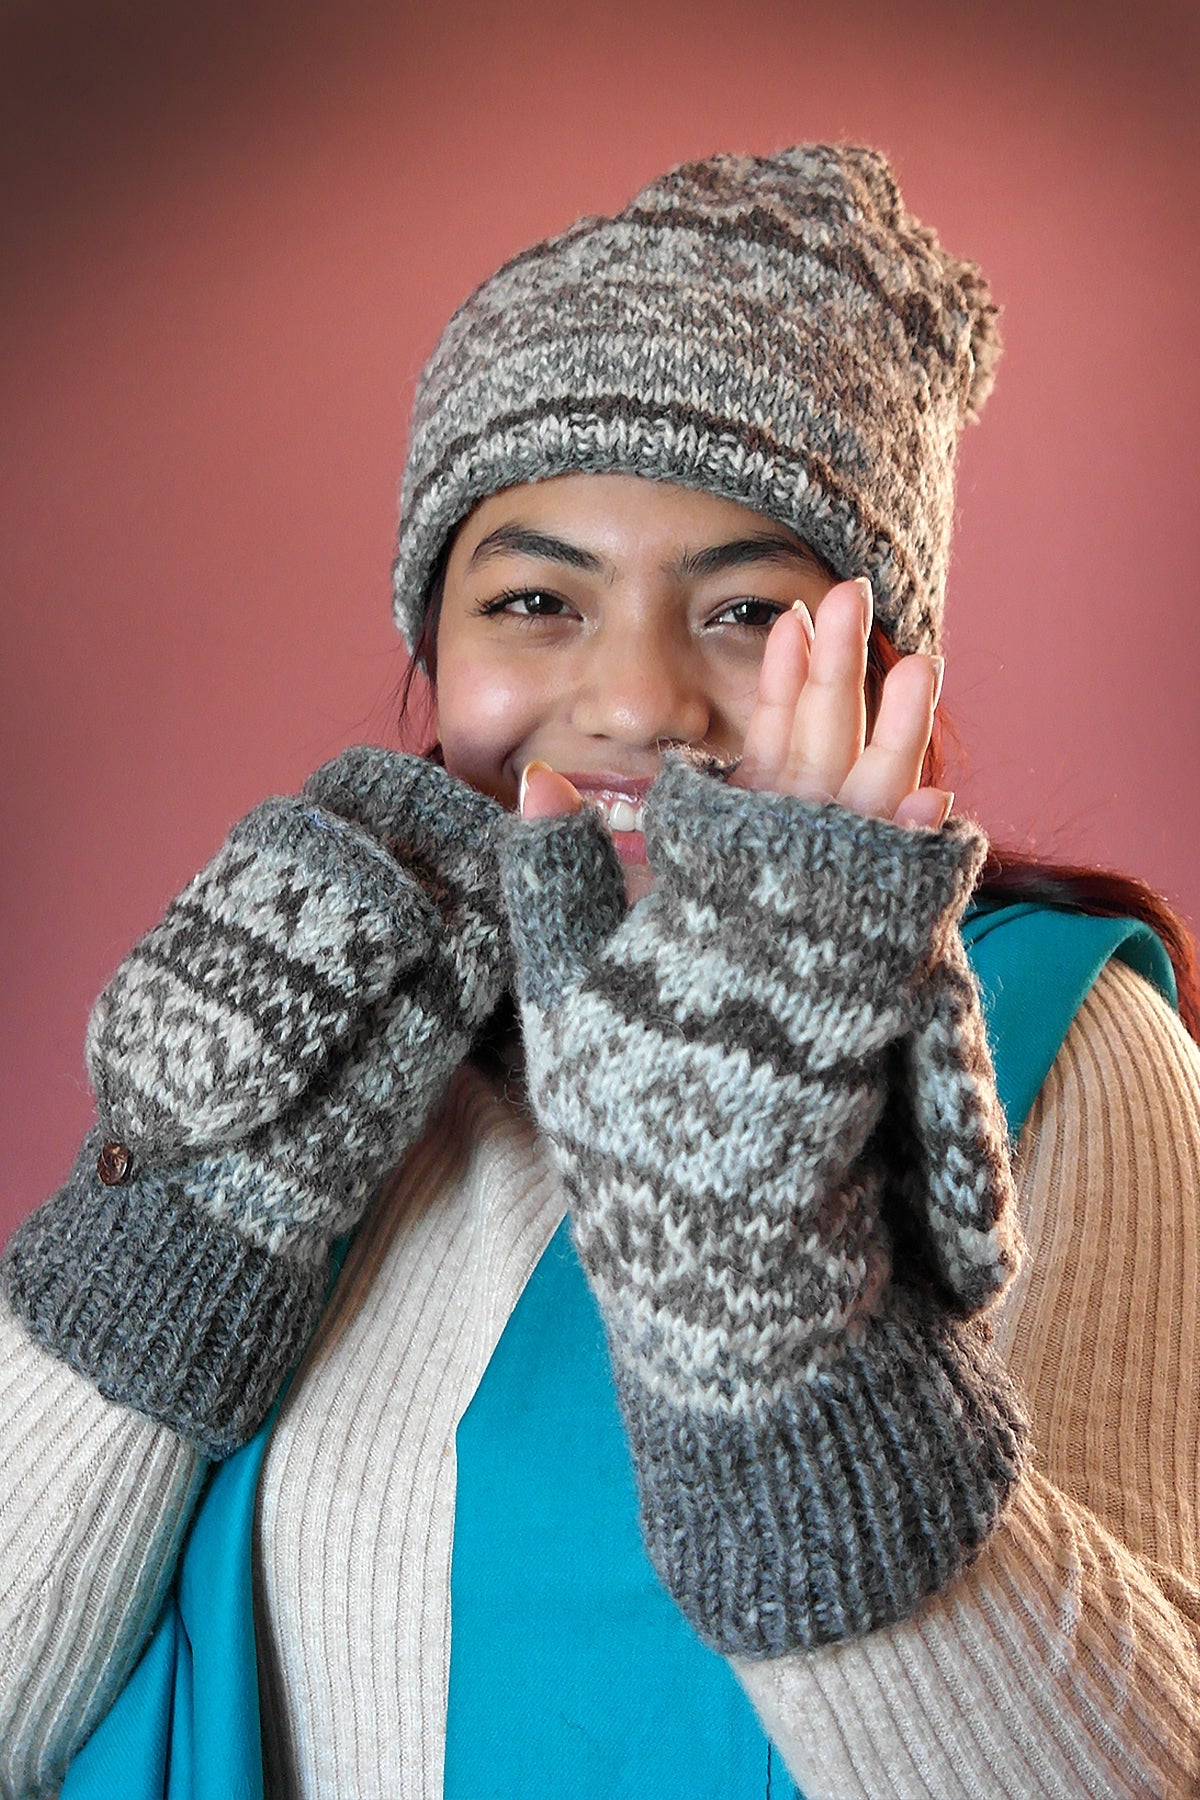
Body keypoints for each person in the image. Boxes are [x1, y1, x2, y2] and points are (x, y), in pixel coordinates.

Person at [1, 144, 1198, 1800]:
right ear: (435, 647)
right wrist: (191, 1208)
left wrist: (778, 1306)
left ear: (881, 666)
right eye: (536, 597)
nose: (635, 700)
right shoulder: (323, 1011)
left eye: (746, 609)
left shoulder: (1057, 1039)